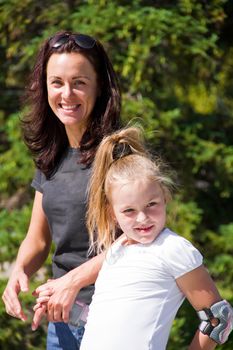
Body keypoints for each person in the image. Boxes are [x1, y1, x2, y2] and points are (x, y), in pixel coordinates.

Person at [2, 30, 121, 349]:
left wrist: (73, 280)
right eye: (57, 82)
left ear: (99, 87)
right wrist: (19, 271)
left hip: (113, 319)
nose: (66, 94)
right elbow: (38, 238)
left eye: (79, 82)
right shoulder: (50, 154)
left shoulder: (118, 154)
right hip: (61, 322)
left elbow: (138, 240)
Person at [79, 127, 233, 350]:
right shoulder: (116, 250)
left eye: (151, 205)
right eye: (129, 211)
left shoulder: (173, 248)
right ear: (112, 213)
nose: (142, 218)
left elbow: (219, 318)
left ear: (165, 197)